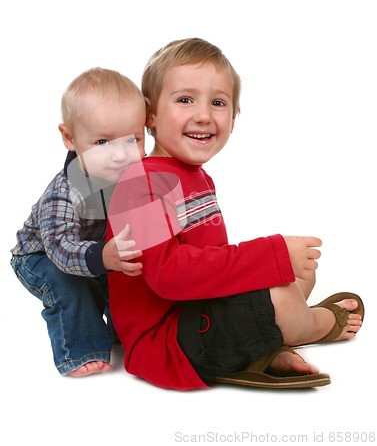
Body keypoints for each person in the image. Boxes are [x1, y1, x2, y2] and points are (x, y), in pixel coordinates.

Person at [106, 38, 364, 390]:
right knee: (283, 295)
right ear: (149, 114)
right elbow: (168, 274)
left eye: (218, 102)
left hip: (198, 313)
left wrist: (271, 268)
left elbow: (211, 266)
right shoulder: (142, 182)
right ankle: (317, 324)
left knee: (299, 277)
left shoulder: (197, 176)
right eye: (185, 99)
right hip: (168, 339)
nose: (204, 115)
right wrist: (269, 254)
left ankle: (265, 347)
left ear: (233, 117)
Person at [10, 68, 146, 377]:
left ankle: (123, 333)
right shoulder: (64, 192)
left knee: (126, 276)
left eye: (132, 139)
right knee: (69, 286)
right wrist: (102, 257)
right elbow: (60, 248)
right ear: (70, 138)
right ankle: (80, 349)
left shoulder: (132, 176)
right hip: (42, 255)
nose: (120, 155)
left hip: (97, 250)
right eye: (102, 142)